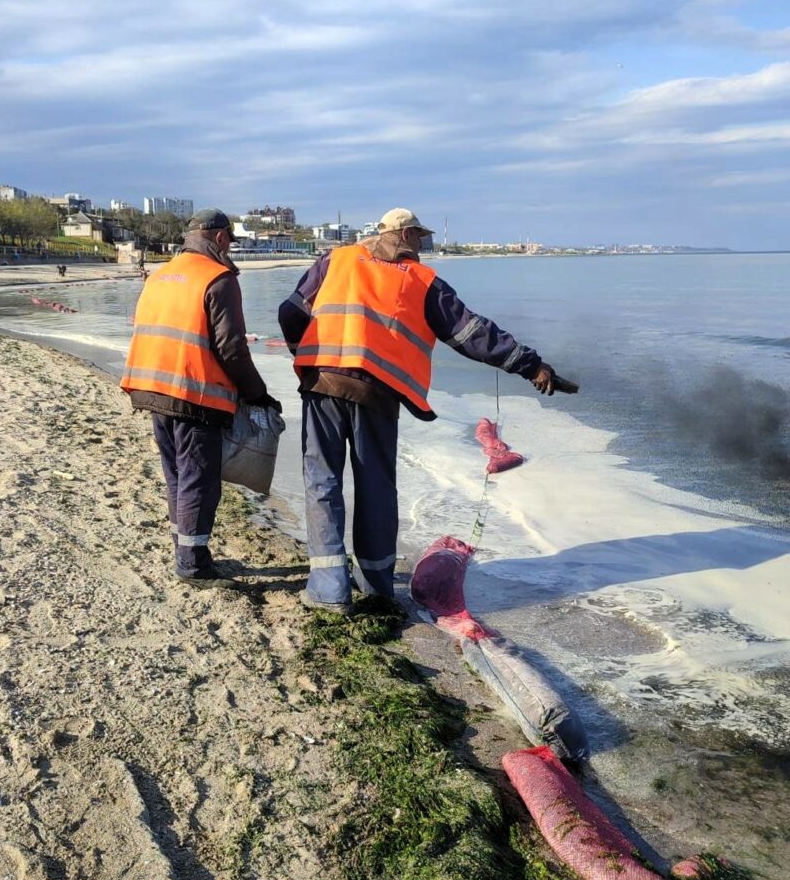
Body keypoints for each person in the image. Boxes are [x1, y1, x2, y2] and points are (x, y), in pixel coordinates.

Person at [279, 208, 564, 615]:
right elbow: (472, 334)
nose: (422, 246)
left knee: (321, 482)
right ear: (407, 235)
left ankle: (329, 589)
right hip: (377, 395)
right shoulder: (422, 281)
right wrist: (529, 365)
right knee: (376, 487)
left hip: (322, 386)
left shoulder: (334, 261)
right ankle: (375, 585)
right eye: (420, 238)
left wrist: (305, 357)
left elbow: (290, 313)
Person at [121, 208, 280, 588]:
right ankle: (193, 566)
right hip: (192, 393)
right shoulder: (218, 278)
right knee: (199, 480)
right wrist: (258, 395)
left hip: (152, 386)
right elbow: (233, 350)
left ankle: (185, 549)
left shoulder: (161, 275)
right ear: (221, 237)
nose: (232, 250)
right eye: (231, 242)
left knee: (177, 474)